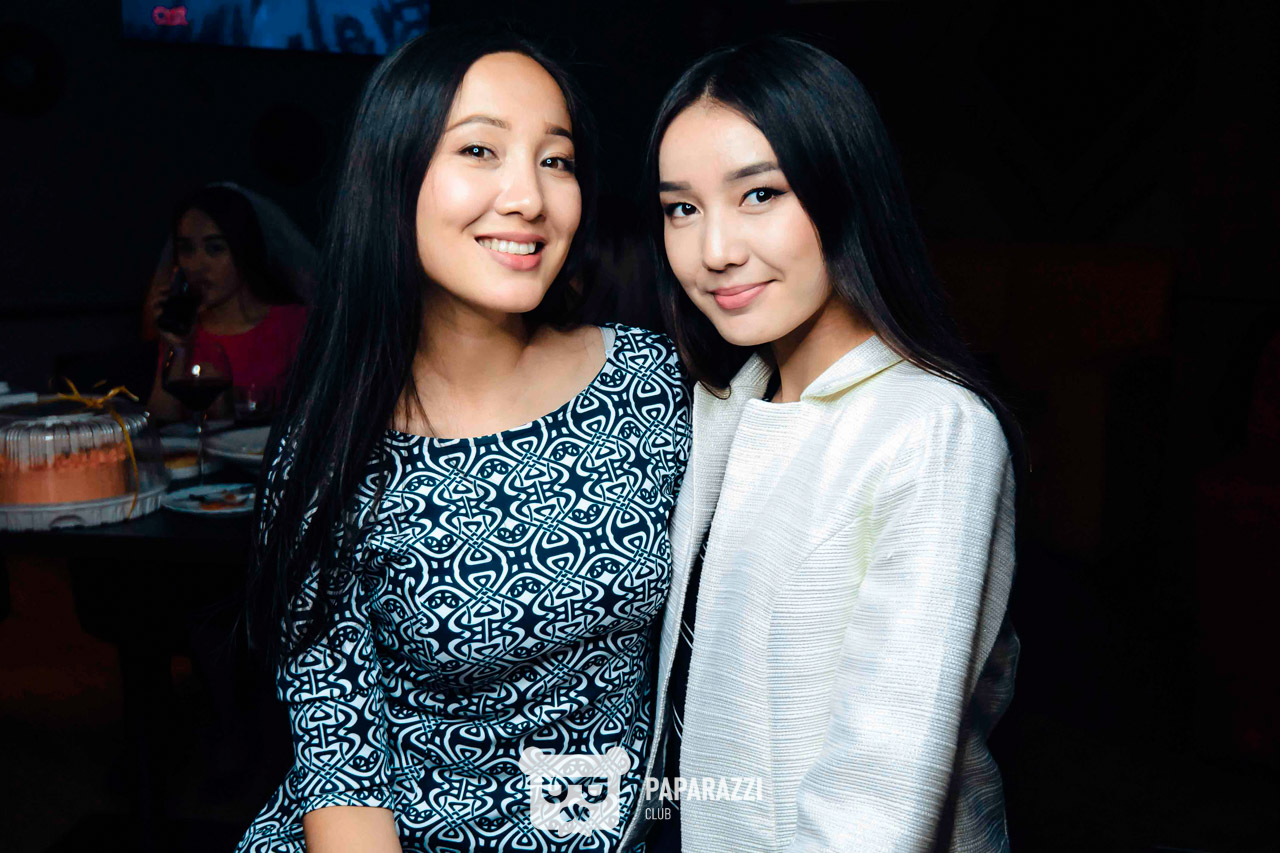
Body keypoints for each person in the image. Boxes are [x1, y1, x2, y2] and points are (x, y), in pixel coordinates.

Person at [238, 26, 689, 853]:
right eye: (480, 150)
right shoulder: (332, 446)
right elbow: (341, 772)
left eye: (555, 160)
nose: (529, 197)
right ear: (394, 172)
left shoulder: (649, 382)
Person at [629, 37, 1022, 852]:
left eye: (760, 194)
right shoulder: (724, 404)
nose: (715, 250)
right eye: (681, 208)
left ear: (846, 189)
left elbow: (876, 802)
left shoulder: (933, 429)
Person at [145, 184, 309, 422]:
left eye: (215, 249)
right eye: (187, 249)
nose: (197, 265)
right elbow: (160, 422)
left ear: (243, 251)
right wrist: (177, 350)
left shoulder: (294, 324)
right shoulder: (186, 329)